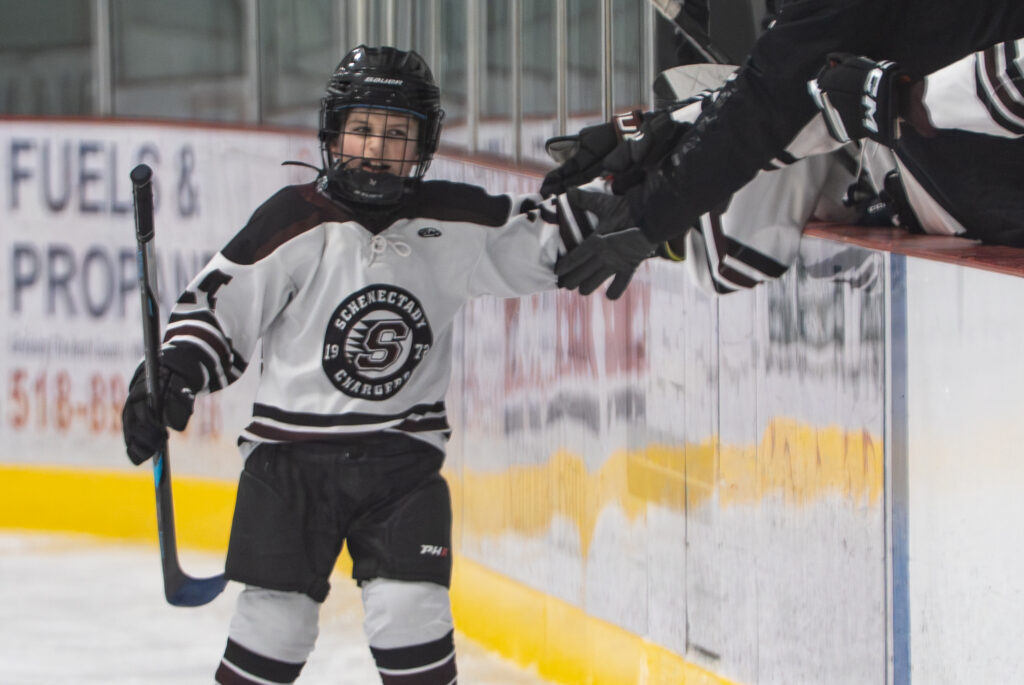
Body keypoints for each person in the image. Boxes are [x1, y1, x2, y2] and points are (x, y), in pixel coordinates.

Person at [120, 45, 597, 685]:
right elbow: (216, 305)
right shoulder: (294, 219)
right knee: (275, 623)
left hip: (400, 463)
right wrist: (169, 377)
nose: (376, 148)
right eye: (363, 129)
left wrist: (645, 205)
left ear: (422, 145)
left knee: (412, 615)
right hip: (288, 463)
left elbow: (548, 238)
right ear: (334, 132)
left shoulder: (453, 220)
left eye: (397, 134)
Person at [544, 0, 1024, 299]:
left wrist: (912, 103)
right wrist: (665, 128)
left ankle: (656, 226)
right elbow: (795, 88)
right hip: (958, 184)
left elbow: (781, 93)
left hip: (985, 196)